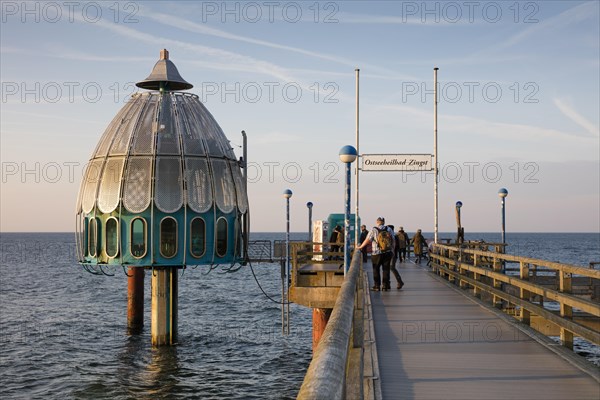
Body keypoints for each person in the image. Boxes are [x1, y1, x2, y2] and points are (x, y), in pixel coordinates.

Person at [357, 217, 395, 291]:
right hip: (387, 252)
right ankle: (385, 286)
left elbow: (367, 240)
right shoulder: (389, 229)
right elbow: (393, 240)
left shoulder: (373, 230)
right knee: (386, 269)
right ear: (384, 222)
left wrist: (360, 247)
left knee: (376, 269)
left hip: (376, 253)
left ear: (377, 222)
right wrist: (392, 250)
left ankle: (377, 286)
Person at [387, 224, 405, 289]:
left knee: (391, 267)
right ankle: (388, 283)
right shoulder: (394, 236)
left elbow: (396, 246)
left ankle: (400, 282)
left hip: (393, 255)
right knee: (388, 268)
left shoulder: (394, 237)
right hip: (391, 254)